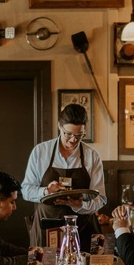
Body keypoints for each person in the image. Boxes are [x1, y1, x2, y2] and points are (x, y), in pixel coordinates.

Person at [22, 104, 107, 251]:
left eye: (79, 135)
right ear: (59, 127)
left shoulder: (92, 156)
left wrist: (80, 206)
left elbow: (101, 199)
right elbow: (26, 190)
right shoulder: (41, 151)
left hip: (83, 227)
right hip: (47, 226)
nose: (73, 140)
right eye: (68, 134)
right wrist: (46, 192)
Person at [0, 171, 40, 265]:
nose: (15, 207)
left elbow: (4, 248)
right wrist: (31, 259)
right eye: (12, 202)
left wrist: (34, 253)